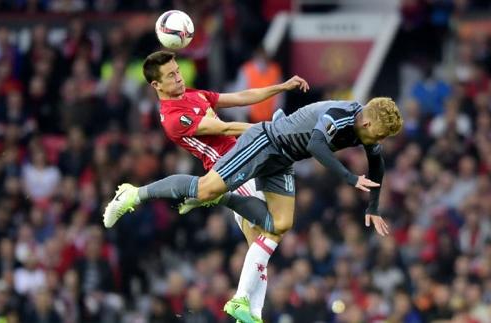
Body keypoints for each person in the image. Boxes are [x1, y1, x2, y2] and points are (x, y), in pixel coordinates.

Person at [103, 93, 403, 322]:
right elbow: (316, 145)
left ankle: (245, 304)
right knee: (207, 187)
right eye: (378, 134)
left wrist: (373, 207)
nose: (378, 141)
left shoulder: (367, 126)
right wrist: (350, 178)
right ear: (367, 122)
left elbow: (377, 162)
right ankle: (134, 194)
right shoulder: (338, 116)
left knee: (279, 225)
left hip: (283, 159)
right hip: (265, 142)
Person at [104, 50, 309, 323]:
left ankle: (251, 314)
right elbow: (223, 129)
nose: (178, 78)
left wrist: (279, 87)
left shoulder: (191, 94)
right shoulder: (173, 118)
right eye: (171, 76)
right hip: (231, 170)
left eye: (177, 71)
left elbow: (238, 98)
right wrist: (266, 130)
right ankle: (242, 300)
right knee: (272, 230)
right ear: (156, 85)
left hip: (249, 163)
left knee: (260, 244)